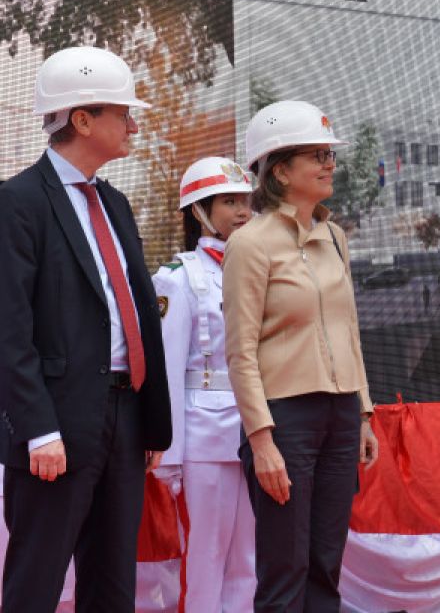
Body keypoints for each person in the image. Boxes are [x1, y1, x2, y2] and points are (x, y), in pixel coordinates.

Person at [0, 46, 172, 611]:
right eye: (123, 112)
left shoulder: (116, 204)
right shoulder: (18, 202)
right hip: (57, 423)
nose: (133, 124)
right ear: (82, 119)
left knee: (112, 580)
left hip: (124, 419)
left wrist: (150, 422)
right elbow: (9, 330)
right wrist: (37, 430)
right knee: (36, 580)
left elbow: (137, 313)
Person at [224, 100, 379, 611]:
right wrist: (261, 440)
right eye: (318, 154)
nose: (330, 164)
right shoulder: (249, 243)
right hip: (284, 419)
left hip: (338, 415)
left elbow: (349, 329)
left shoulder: (335, 236)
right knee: (284, 569)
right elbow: (240, 351)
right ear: (280, 169)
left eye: (330, 154)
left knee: (325, 565)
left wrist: (363, 413)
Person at [152, 157, 255, 612]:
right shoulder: (177, 278)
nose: (242, 211)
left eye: (246, 201)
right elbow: (169, 368)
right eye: (229, 202)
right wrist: (169, 455)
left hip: (255, 430)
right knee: (207, 555)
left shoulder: (255, 267)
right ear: (198, 210)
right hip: (203, 433)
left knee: (249, 558)